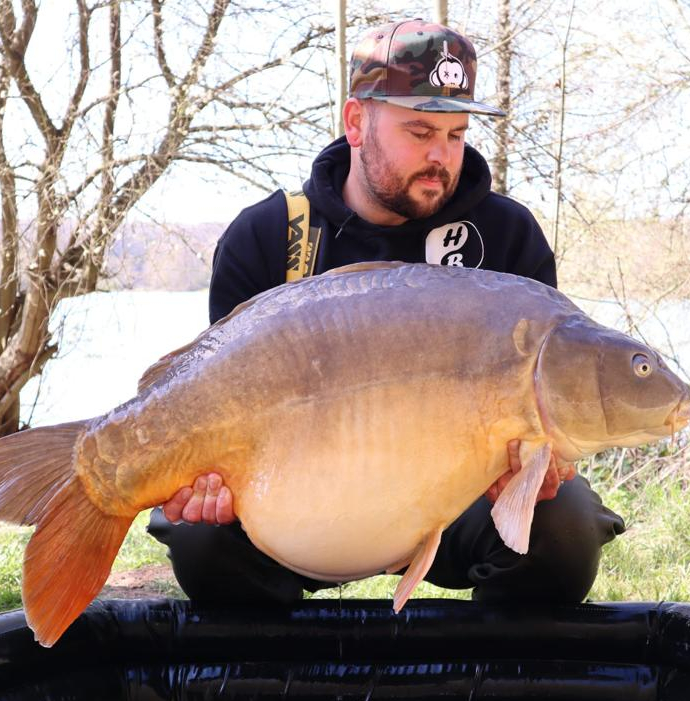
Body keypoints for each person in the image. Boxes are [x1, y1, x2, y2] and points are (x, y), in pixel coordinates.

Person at [147, 19, 625, 605]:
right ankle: (292, 662)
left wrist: (536, 469)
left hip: (457, 501)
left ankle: (482, 662)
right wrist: (209, 484)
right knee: (200, 539)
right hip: (300, 507)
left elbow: (541, 425)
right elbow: (221, 408)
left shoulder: (508, 237)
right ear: (356, 122)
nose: (440, 156)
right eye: (419, 131)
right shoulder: (268, 236)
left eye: (455, 134)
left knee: (567, 526)